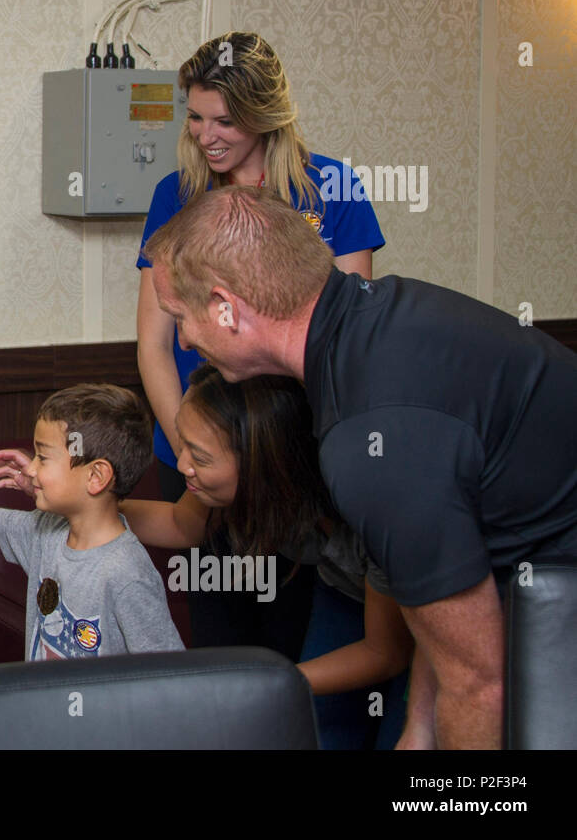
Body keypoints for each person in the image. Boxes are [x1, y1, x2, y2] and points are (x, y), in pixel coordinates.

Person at [144, 183, 577, 749]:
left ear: (226, 309)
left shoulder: (371, 435)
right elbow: (445, 601)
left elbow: (478, 683)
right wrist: (417, 738)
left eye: (180, 316)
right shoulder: (375, 318)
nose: (181, 338)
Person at [0, 365, 414, 749]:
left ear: (261, 462)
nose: (183, 466)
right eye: (182, 446)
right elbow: (182, 525)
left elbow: (385, 651)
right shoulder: (220, 486)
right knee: (320, 729)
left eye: (200, 456)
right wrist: (70, 498)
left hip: (426, 601)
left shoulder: (369, 509)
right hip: (343, 588)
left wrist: (264, 681)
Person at [135, 31, 386, 655]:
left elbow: (343, 340)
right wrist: (195, 452)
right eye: (195, 117)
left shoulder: (332, 187)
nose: (205, 134)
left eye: (225, 120)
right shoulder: (176, 195)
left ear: (266, 116)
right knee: (220, 637)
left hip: (296, 459)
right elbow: (154, 346)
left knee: (299, 636)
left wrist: (274, 455)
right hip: (199, 463)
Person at [0, 384, 182, 661]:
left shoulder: (128, 573)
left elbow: (169, 675)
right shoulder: (46, 531)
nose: (31, 468)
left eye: (43, 457)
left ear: (95, 477)